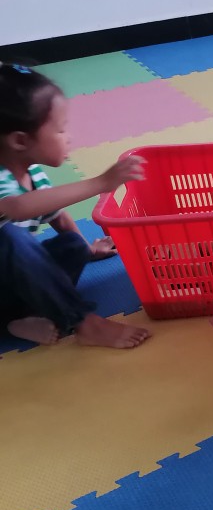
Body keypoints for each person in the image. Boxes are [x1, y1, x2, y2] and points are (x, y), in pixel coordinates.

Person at [0, 62, 150, 348]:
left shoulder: (33, 174)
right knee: (9, 237)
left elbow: (58, 217)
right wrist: (101, 182)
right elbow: (17, 208)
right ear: (20, 140)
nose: (69, 138)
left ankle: (21, 318)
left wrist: (87, 250)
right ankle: (84, 322)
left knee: (72, 245)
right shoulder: (3, 182)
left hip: (13, 285)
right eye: (60, 130)